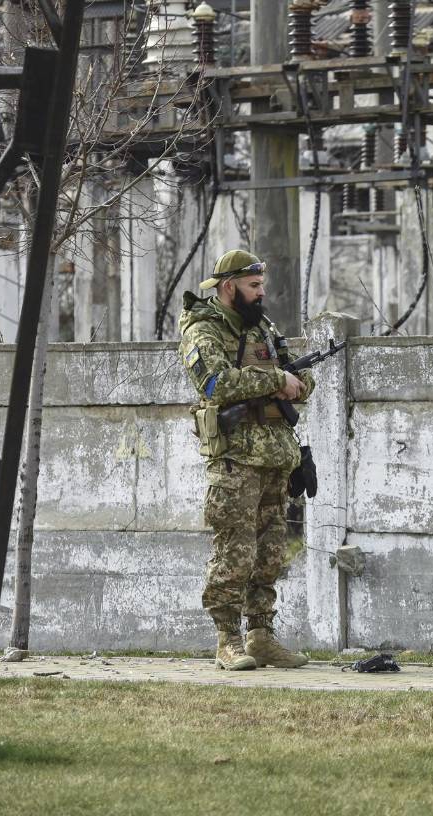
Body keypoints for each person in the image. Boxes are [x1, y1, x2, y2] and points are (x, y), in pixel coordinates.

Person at [178, 250, 315, 671]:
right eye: (253, 286)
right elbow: (216, 382)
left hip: (275, 457)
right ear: (228, 287)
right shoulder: (203, 331)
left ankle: (260, 635)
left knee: (271, 552)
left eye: (262, 286)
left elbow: (303, 380)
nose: (261, 293)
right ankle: (227, 640)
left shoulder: (265, 329)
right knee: (233, 552)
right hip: (236, 461)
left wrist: (292, 383)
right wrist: (277, 380)